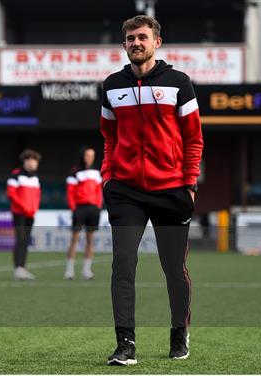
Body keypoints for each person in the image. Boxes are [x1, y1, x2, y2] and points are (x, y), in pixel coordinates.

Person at [100, 15, 203, 364]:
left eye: (142, 37)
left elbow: (193, 139)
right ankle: (125, 343)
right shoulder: (112, 85)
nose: (135, 43)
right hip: (126, 190)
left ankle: (179, 333)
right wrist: (108, 178)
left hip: (171, 189)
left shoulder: (179, 83)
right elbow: (109, 137)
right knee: (123, 264)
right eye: (130, 38)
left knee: (173, 268)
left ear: (157, 42)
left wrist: (189, 184)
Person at [64, 146, 102, 280]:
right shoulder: (74, 173)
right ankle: (69, 270)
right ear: (82, 156)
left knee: (90, 240)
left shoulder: (97, 173)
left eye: (92, 155)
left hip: (93, 209)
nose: (90, 158)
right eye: (87, 155)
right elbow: (70, 192)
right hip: (79, 208)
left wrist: (98, 205)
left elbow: (99, 191)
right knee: (74, 239)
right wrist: (74, 208)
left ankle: (87, 270)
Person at [6, 149, 42, 280]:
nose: (34, 163)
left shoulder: (36, 177)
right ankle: (18, 268)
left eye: (36, 161)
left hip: (30, 214)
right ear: (26, 161)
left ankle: (23, 267)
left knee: (26, 241)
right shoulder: (15, 175)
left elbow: (37, 195)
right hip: (19, 213)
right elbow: (11, 194)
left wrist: (34, 209)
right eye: (32, 160)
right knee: (20, 239)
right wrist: (24, 207)